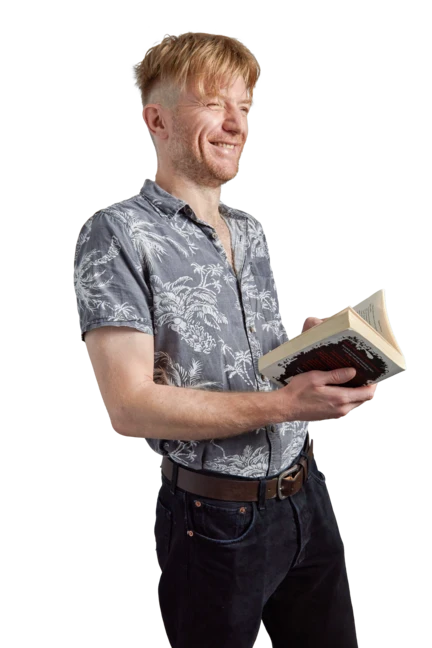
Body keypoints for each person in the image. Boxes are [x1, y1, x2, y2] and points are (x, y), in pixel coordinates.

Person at [72, 31, 376, 648]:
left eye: (244, 104)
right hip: (214, 522)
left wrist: (307, 356)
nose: (236, 121)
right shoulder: (117, 234)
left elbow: (241, 366)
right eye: (214, 102)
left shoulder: (250, 229)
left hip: (306, 495)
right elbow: (129, 406)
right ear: (155, 117)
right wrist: (286, 405)